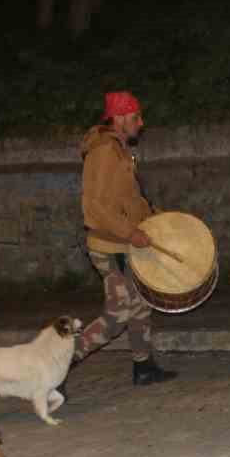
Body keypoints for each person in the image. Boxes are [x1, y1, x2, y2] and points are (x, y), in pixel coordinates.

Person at [72, 90, 177, 386]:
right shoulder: (104, 152)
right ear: (118, 119)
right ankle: (61, 362)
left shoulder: (119, 149)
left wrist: (155, 218)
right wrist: (132, 232)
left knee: (141, 302)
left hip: (124, 243)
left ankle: (143, 366)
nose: (141, 123)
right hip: (110, 247)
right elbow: (95, 208)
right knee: (118, 315)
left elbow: (128, 199)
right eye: (135, 117)